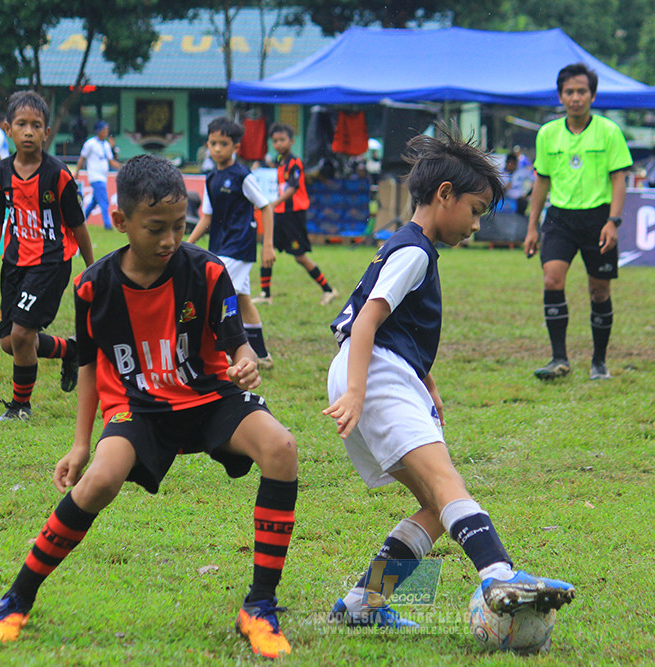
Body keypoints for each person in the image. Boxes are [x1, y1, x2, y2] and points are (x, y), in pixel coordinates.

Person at [0, 155, 299, 659]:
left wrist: (245, 363)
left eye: (179, 226)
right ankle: (16, 598)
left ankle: (259, 606)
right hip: (138, 406)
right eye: (156, 228)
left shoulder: (208, 271)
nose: (170, 239)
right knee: (99, 482)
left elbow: (238, 344)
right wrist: (80, 444)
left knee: (281, 448)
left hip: (210, 396)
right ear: (121, 221)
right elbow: (88, 364)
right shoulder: (93, 286)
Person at [323, 127, 575, 629]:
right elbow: (368, 321)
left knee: (437, 507)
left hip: (383, 371)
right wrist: (356, 391)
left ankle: (362, 604)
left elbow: (396, 326)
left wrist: (427, 383)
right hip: (375, 374)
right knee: (447, 484)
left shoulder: (405, 245)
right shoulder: (414, 251)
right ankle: (499, 575)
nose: (477, 225)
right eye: (476, 210)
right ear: (444, 194)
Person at [0, 91, 94, 422]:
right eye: (21, 124)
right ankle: (71, 350)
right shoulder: (0, 174)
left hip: (50, 263)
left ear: (47, 133)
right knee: (8, 342)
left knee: (21, 335)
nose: (28, 131)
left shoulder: (58, 175)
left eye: (36, 125)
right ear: (7, 129)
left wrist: (92, 268)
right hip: (14, 263)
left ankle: (20, 407)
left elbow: (78, 225)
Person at [523, 63, 632, 381]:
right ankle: (559, 359)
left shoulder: (609, 131)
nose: (575, 98)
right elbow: (542, 181)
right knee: (552, 280)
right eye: (569, 92)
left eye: (581, 91)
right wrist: (532, 227)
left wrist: (613, 221)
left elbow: (619, 179)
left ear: (592, 95)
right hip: (560, 219)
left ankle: (599, 362)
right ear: (560, 96)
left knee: (599, 291)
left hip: (598, 220)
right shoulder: (547, 134)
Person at [188, 117, 276, 369]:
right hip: (220, 246)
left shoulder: (242, 176)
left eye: (223, 144)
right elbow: (207, 218)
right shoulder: (211, 178)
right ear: (207, 144)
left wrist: (267, 245)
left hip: (238, 247)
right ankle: (261, 354)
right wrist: (187, 244)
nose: (217, 148)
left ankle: (221, 352)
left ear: (236, 147)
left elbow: (266, 207)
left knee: (214, 297)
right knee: (243, 299)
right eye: (213, 143)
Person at [256, 123, 338, 306]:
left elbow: (293, 188)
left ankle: (329, 290)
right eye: (275, 141)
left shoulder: (295, 163)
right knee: (266, 249)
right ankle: (265, 294)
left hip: (293, 215)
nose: (278, 144)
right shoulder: (280, 161)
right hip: (280, 214)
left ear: (291, 141)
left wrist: (274, 203)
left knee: (300, 256)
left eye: (282, 140)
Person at [75, 120, 121, 230]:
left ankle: (81, 220)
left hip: (103, 177)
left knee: (94, 202)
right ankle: (107, 225)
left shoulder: (106, 145)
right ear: (99, 131)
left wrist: (121, 167)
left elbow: (111, 161)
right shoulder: (90, 143)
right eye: (105, 129)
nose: (107, 132)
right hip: (95, 176)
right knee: (104, 201)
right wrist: (77, 173)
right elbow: (82, 158)